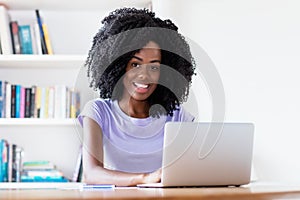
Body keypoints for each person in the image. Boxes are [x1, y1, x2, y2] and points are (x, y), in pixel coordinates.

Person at [78, 7, 196, 186]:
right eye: (135, 64)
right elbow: (91, 174)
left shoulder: (177, 115)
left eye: (154, 67)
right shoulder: (98, 111)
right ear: (118, 66)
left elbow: (192, 170)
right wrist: (145, 178)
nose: (144, 75)